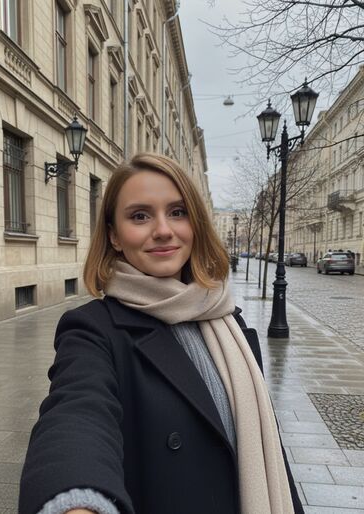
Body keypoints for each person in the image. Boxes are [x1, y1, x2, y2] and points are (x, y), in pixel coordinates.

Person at [19, 153, 304, 514]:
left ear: (195, 224)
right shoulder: (93, 330)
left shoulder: (231, 322)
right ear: (114, 236)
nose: (164, 230)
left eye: (177, 212)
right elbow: (76, 415)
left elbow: (268, 448)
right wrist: (75, 501)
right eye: (140, 216)